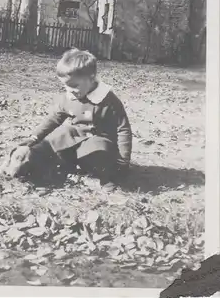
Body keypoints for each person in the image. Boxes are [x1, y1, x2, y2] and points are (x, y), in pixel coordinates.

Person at [8, 48, 132, 192]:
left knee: (98, 149)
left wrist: (123, 160)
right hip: (75, 139)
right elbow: (54, 118)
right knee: (59, 135)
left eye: (74, 85)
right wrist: (35, 137)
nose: (69, 90)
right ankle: (29, 164)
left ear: (91, 78)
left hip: (97, 144)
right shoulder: (69, 97)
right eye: (65, 85)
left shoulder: (108, 100)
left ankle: (101, 177)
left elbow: (123, 129)